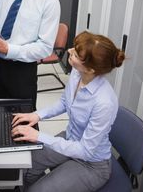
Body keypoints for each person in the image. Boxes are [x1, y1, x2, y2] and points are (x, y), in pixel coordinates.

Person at [11, 31, 126, 192]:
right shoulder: (77, 74)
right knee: (25, 167)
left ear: (91, 69)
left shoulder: (104, 102)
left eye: (77, 54)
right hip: (70, 139)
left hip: (91, 164)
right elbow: (65, 102)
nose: (70, 50)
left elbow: (84, 150)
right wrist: (36, 115)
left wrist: (38, 136)